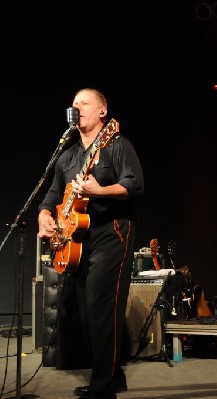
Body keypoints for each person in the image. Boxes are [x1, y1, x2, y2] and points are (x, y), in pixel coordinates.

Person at [37, 88, 144, 398]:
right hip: (78, 239)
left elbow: (134, 185)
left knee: (102, 305)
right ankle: (114, 374)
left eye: (84, 103)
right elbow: (54, 194)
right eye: (74, 104)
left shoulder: (116, 143)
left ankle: (103, 386)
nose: (77, 107)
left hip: (113, 231)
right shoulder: (67, 155)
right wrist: (45, 214)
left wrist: (100, 191)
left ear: (103, 111)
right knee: (85, 310)